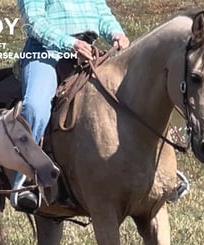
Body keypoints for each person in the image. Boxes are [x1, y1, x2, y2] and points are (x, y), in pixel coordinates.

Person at [11, 0, 130, 213]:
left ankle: (152, 170)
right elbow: (35, 23)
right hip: (46, 52)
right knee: (36, 106)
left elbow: (102, 13)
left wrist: (116, 33)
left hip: (88, 52)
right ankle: (26, 181)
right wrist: (70, 44)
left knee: (132, 92)